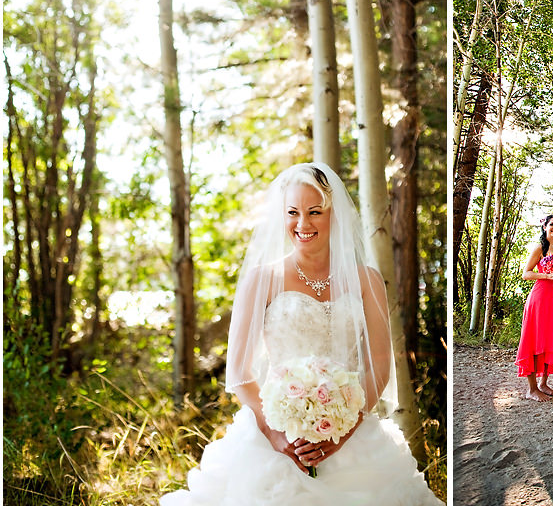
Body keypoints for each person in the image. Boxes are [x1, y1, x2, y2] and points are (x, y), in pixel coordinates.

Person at [160, 163, 441, 505]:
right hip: (275, 438)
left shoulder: (366, 280)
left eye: (314, 212)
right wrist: (277, 435)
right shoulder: (262, 279)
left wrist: (341, 431)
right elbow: (238, 373)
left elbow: (379, 366)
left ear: (333, 214)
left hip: (353, 436)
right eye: (292, 212)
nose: (303, 224)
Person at [515, 215, 553, 401]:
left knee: (550, 339)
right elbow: (526, 274)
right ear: (545, 226)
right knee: (534, 338)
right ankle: (531, 389)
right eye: (552, 224)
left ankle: (544, 384)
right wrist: (546, 275)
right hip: (540, 299)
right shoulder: (540, 248)